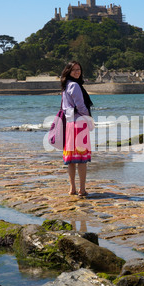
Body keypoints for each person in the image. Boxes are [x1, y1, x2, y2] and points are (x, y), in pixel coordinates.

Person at [61, 61, 94, 196]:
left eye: (79, 69)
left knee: (71, 158)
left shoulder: (66, 86)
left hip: (70, 124)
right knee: (81, 159)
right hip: (79, 124)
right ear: (68, 71)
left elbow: (65, 107)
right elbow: (81, 106)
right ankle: (82, 189)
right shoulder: (75, 86)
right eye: (74, 70)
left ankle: (72, 188)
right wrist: (89, 119)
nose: (77, 72)